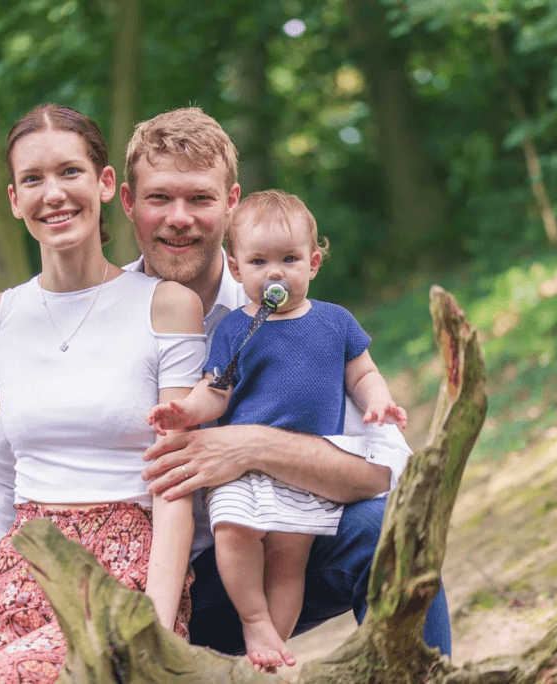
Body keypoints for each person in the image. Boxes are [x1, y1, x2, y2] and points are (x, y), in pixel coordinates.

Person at [0, 107, 450, 684]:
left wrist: (251, 446)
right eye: (160, 199)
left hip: (253, 572)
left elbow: (388, 475)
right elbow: (0, 479)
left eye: (200, 200)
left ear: (232, 203)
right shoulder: (84, 312)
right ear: (127, 201)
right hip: (114, 576)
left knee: (382, 531)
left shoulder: (296, 316)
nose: (179, 219)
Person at [0, 103, 206, 684]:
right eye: (32, 179)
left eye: (70, 172)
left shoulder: (164, 306)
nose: (53, 193)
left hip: (121, 576)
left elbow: (173, 489)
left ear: (106, 184)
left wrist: (156, 630)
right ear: (14, 200)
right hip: (15, 569)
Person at [146, 189, 408, 671]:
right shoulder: (235, 328)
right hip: (240, 473)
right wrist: (184, 412)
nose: (275, 273)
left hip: (305, 470)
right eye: (259, 261)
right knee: (233, 535)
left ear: (313, 263)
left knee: (290, 560)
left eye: (289, 259)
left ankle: (272, 640)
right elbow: (216, 389)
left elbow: (363, 374)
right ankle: (253, 618)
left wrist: (379, 404)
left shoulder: (335, 322)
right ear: (237, 267)